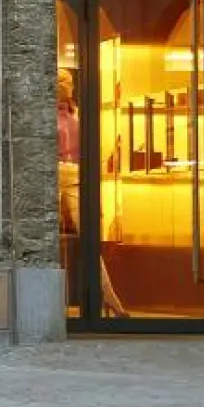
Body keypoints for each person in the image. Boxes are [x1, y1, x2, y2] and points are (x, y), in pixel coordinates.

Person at [58, 71, 129, 318]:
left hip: (77, 175)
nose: (65, 86)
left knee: (89, 239)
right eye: (59, 82)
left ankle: (109, 297)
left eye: (67, 82)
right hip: (54, 174)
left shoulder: (78, 114)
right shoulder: (44, 112)